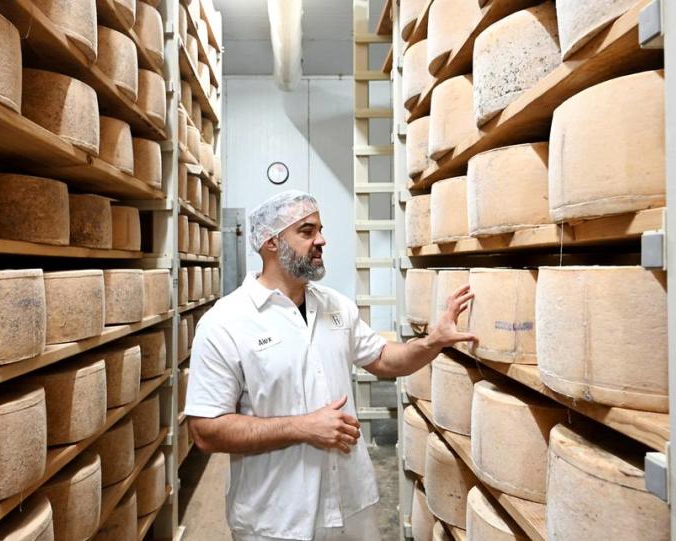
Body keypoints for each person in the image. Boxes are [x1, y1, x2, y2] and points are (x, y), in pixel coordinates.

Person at [184, 190, 476, 541]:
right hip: (277, 520)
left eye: (320, 230)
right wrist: (303, 427)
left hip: (351, 503)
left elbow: (382, 358)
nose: (321, 240)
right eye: (307, 232)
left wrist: (432, 342)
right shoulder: (226, 322)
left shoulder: (336, 306)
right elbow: (205, 430)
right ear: (270, 242)